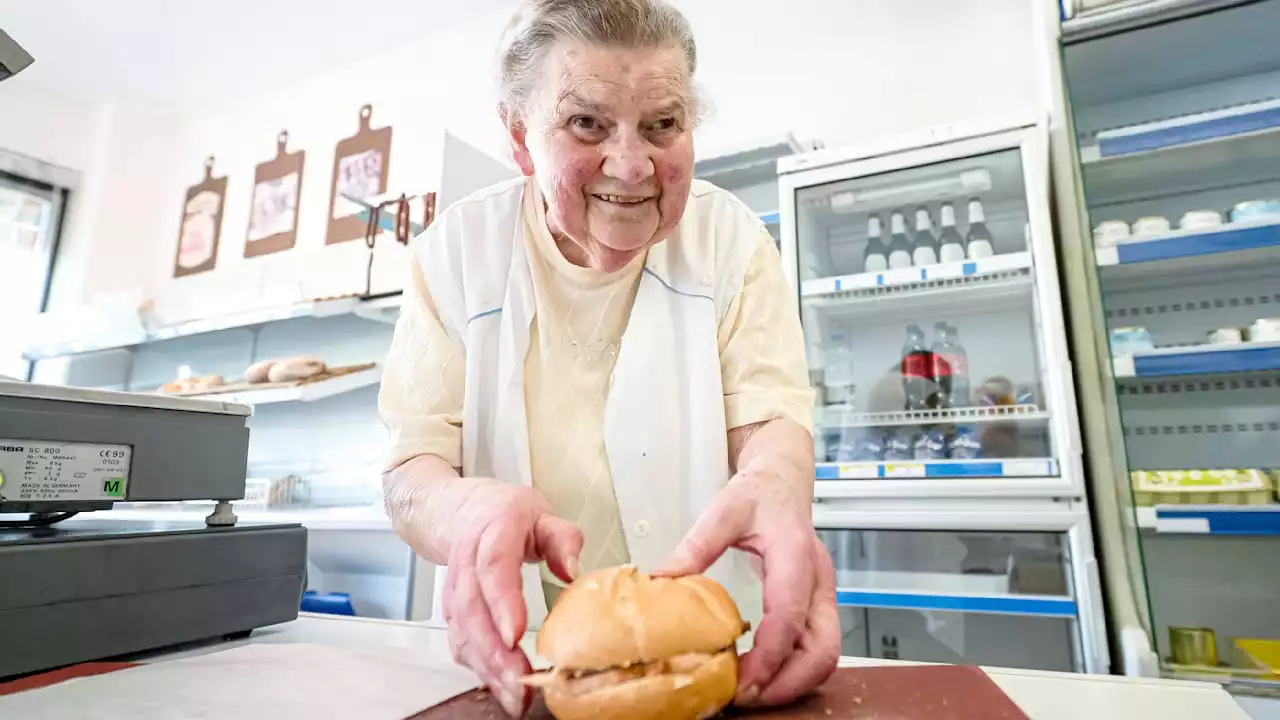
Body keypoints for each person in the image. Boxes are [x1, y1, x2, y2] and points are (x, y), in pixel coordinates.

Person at [378, 0, 839, 715]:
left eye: (663, 125)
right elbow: (412, 471)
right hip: (519, 662)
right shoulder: (455, 253)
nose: (631, 167)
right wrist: (465, 512)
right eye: (586, 123)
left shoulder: (731, 239)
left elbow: (769, 420)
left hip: (714, 667)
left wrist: (778, 485)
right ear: (520, 139)